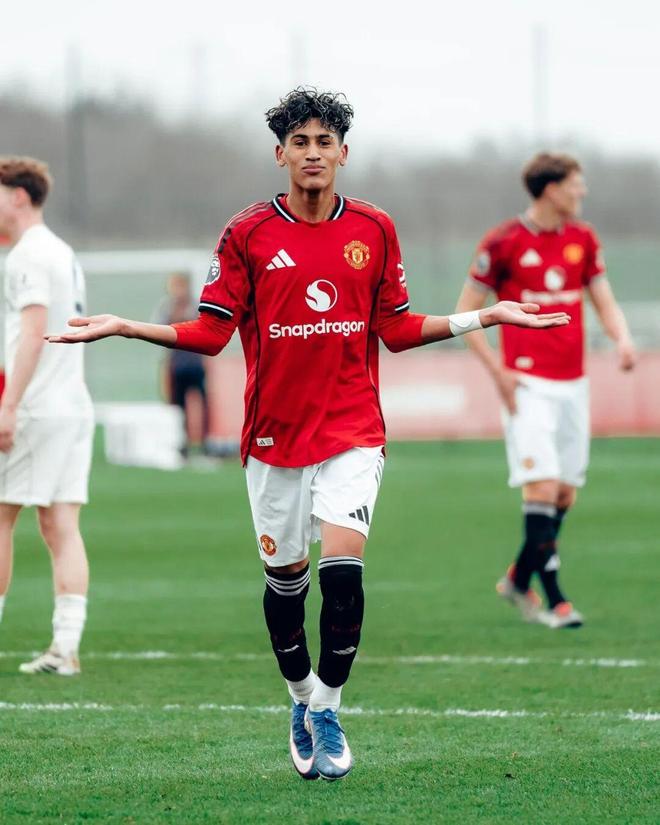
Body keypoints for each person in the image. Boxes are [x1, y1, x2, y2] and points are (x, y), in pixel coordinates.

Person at [48, 89, 569, 780]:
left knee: (344, 573)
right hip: (272, 440)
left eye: (325, 141)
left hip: (353, 429)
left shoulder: (375, 228)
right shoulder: (247, 233)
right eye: (301, 142)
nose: (314, 153)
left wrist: (487, 316)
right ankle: (299, 698)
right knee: (286, 583)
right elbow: (210, 334)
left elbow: (395, 328)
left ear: (343, 153)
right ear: (281, 154)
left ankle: (328, 705)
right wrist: (125, 326)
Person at [455, 152, 636, 630]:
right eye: (576, 183)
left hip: (573, 384)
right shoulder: (503, 242)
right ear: (552, 189)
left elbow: (603, 299)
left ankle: (518, 579)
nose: (582, 191)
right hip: (527, 383)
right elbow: (466, 314)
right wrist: (499, 372)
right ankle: (556, 600)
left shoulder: (583, 238)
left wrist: (622, 338)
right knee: (544, 486)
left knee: (564, 495)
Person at [0, 156, 94, 674]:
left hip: (37, 406)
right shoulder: (60, 250)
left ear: (18, 196)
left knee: (1, 515)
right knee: (61, 524)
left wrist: (9, 404)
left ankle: (63, 648)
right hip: (72, 403)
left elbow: (34, 331)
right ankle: (65, 648)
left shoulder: (29, 255)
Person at [153, 272, 209, 456]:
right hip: (177, 364)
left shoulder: (196, 305)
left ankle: (204, 443)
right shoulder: (167, 308)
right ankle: (181, 443)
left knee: (203, 404)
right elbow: (158, 330)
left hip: (196, 362)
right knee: (178, 406)